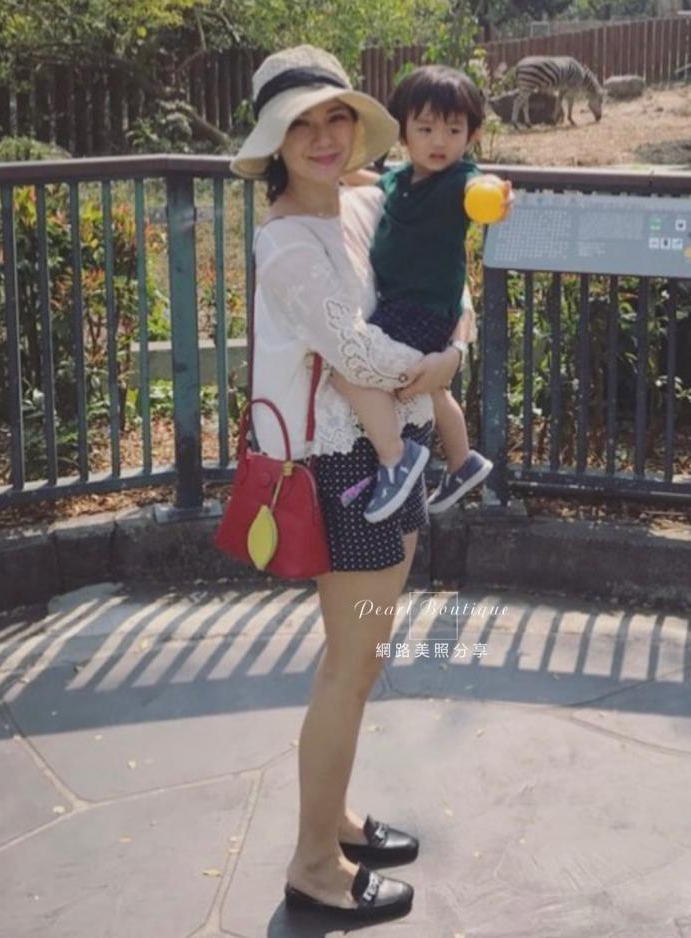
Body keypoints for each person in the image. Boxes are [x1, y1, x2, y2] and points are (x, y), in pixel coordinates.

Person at [231, 45, 467, 922]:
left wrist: (452, 347)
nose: (325, 136)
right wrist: (439, 367)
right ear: (273, 144)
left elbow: (445, 281)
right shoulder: (287, 245)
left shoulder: (363, 204)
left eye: (337, 116)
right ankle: (313, 865)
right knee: (351, 664)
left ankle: (333, 819)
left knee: (358, 658)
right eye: (302, 125)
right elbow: (359, 353)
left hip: (388, 456)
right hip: (343, 470)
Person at [336, 65, 513, 523]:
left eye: (453, 130)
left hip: (422, 310)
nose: (439, 141)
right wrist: (336, 170)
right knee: (429, 386)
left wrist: (493, 195)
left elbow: (479, 189)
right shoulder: (400, 179)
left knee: (348, 367)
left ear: (473, 135)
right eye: (426, 128)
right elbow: (372, 183)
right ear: (404, 132)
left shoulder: (459, 181)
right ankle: (462, 461)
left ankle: (396, 458)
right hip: (405, 305)